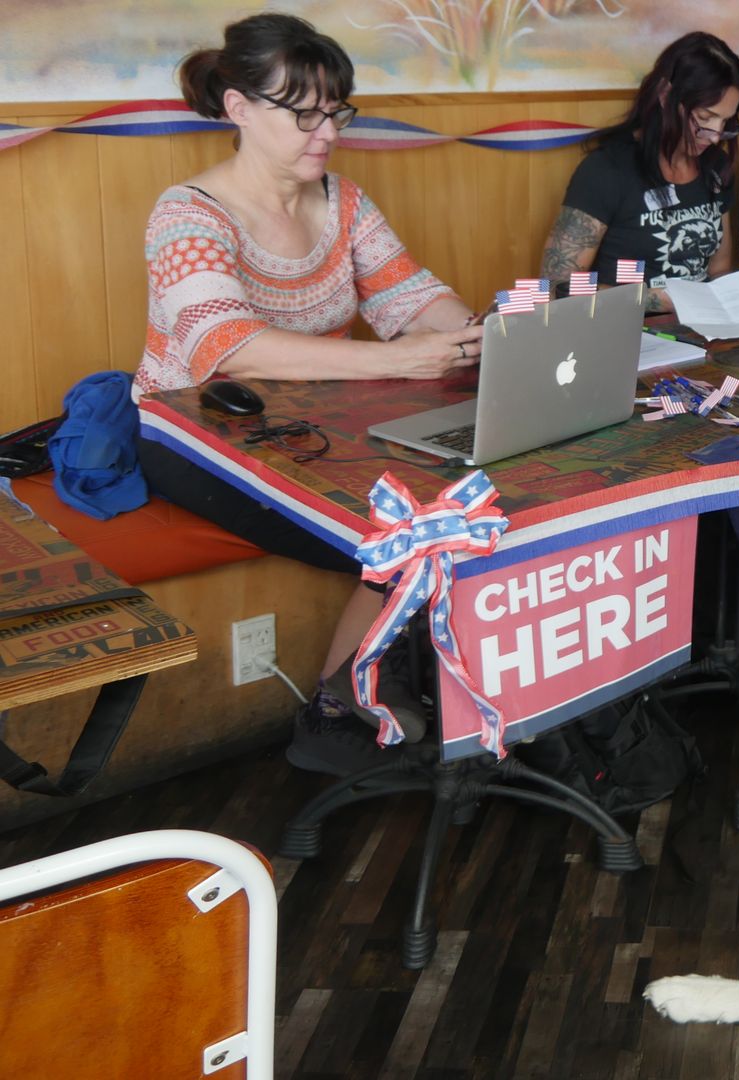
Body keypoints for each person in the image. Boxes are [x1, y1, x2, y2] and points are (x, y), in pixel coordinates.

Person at [135, 13, 481, 775]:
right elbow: (227, 349)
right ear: (237, 109)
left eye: (335, 111)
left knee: (456, 502)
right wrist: (403, 362)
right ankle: (336, 705)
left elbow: (413, 298)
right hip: (194, 439)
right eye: (303, 113)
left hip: (308, 429)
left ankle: (382, 688)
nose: (325, 131)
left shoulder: (344, 203)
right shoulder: (188, 213)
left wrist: (484, 333)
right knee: (413, 525)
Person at [540, 32, 739, 310]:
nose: (715, 136)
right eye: (704, 118)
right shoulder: (607, 171)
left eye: (726, 122)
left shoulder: (715, 166)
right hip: (625, 332)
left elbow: (718, 271)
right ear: (665, 95)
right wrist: (658, 300)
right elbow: (556, 285)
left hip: (702, 330)